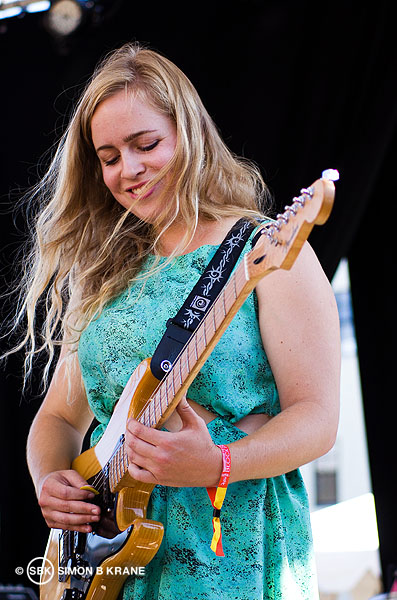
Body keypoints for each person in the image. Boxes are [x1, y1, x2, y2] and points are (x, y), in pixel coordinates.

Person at [14, 43, 340, 599]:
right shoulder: (101, 271)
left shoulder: (264, 252)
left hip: (229, 541)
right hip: (107, 554)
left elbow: (317, 419)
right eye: (110, 156)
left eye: (146, 145)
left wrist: (217, 462)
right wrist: (51, 479)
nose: (129, 170)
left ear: (189, 134)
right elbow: (59, 419)